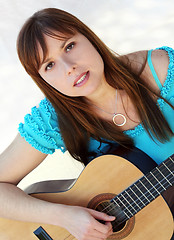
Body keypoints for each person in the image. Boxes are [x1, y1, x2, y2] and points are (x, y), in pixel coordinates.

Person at [0, 7, 173, 240]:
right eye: (49, 65)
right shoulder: (52, 118)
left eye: (69, 46)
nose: (69, 67)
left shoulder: (160, 69)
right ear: (43, 80)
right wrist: (65, 217)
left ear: (88, 37)